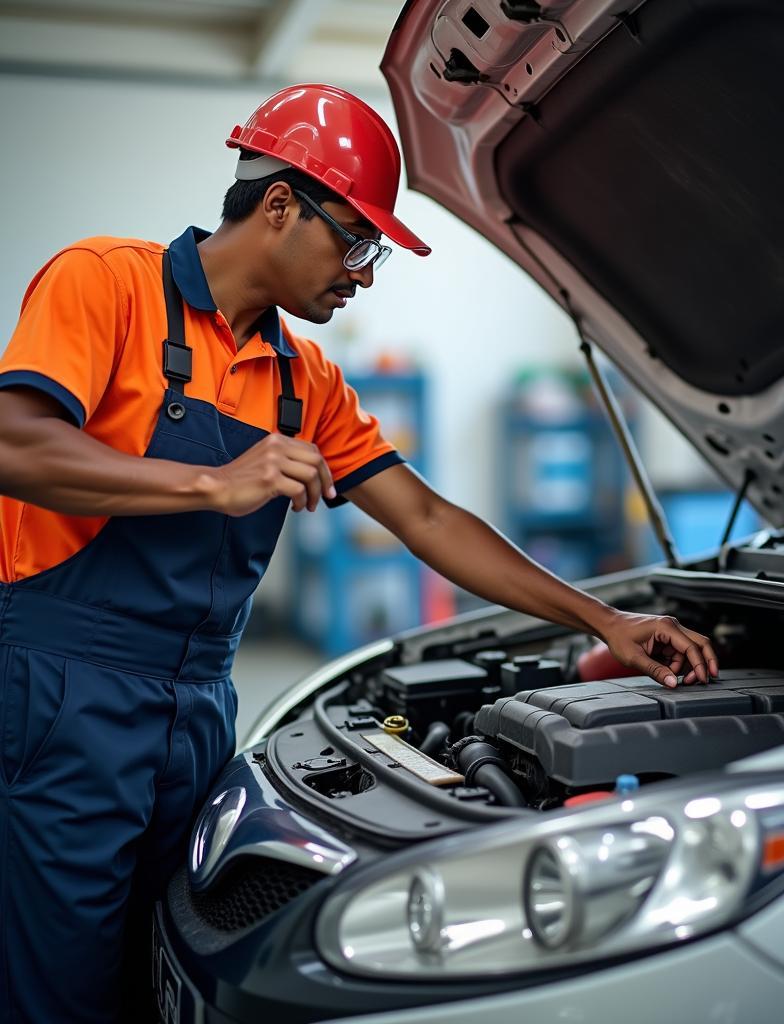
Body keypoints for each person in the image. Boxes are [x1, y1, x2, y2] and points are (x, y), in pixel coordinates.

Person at [0, 83, 717, 1023]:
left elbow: (426, 518)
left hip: (201, 709)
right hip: (67, 693)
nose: (365, 273)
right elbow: (15, 444)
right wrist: (210, 484)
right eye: (357, 240)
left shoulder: (306, 379)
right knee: (57, 988)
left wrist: (604, 619)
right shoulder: (107, 281)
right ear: (281, 203)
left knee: (162, 967)